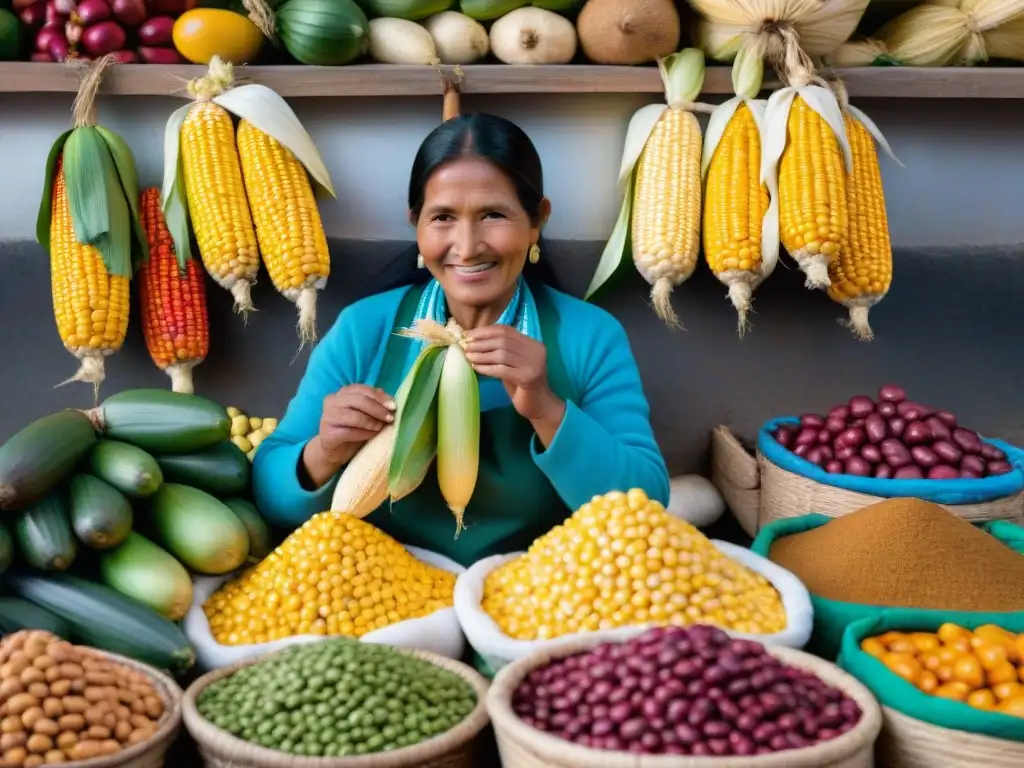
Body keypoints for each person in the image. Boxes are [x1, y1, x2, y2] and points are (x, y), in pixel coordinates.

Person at [253, 112, 670, 568]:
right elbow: (271, 492)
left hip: (538, 593)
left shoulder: (589, 336)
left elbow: (647, 502)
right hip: (385, 591)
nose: (467, 246)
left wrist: (545, 408)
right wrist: (325, 451)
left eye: (494, 215)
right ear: (416, 225)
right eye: (443, 218)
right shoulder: (364, 329)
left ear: (537, 222)